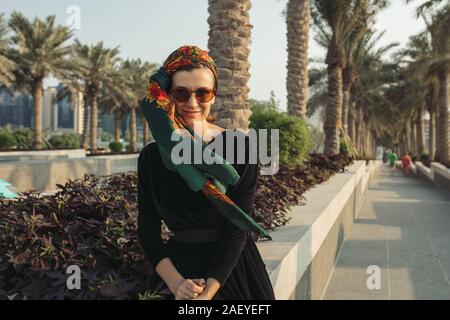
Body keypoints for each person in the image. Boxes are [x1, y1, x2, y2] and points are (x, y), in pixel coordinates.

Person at [137, 45, 275, 300]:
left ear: (214, 95)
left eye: (202, 93)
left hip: (232, 271)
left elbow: (237, 229)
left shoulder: (240, 147)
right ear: (167, 95)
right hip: (178, 273)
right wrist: (178, 284)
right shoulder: (151, 158)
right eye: (181, 93)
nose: (192, 103)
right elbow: (148, 231)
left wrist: (209, 292)